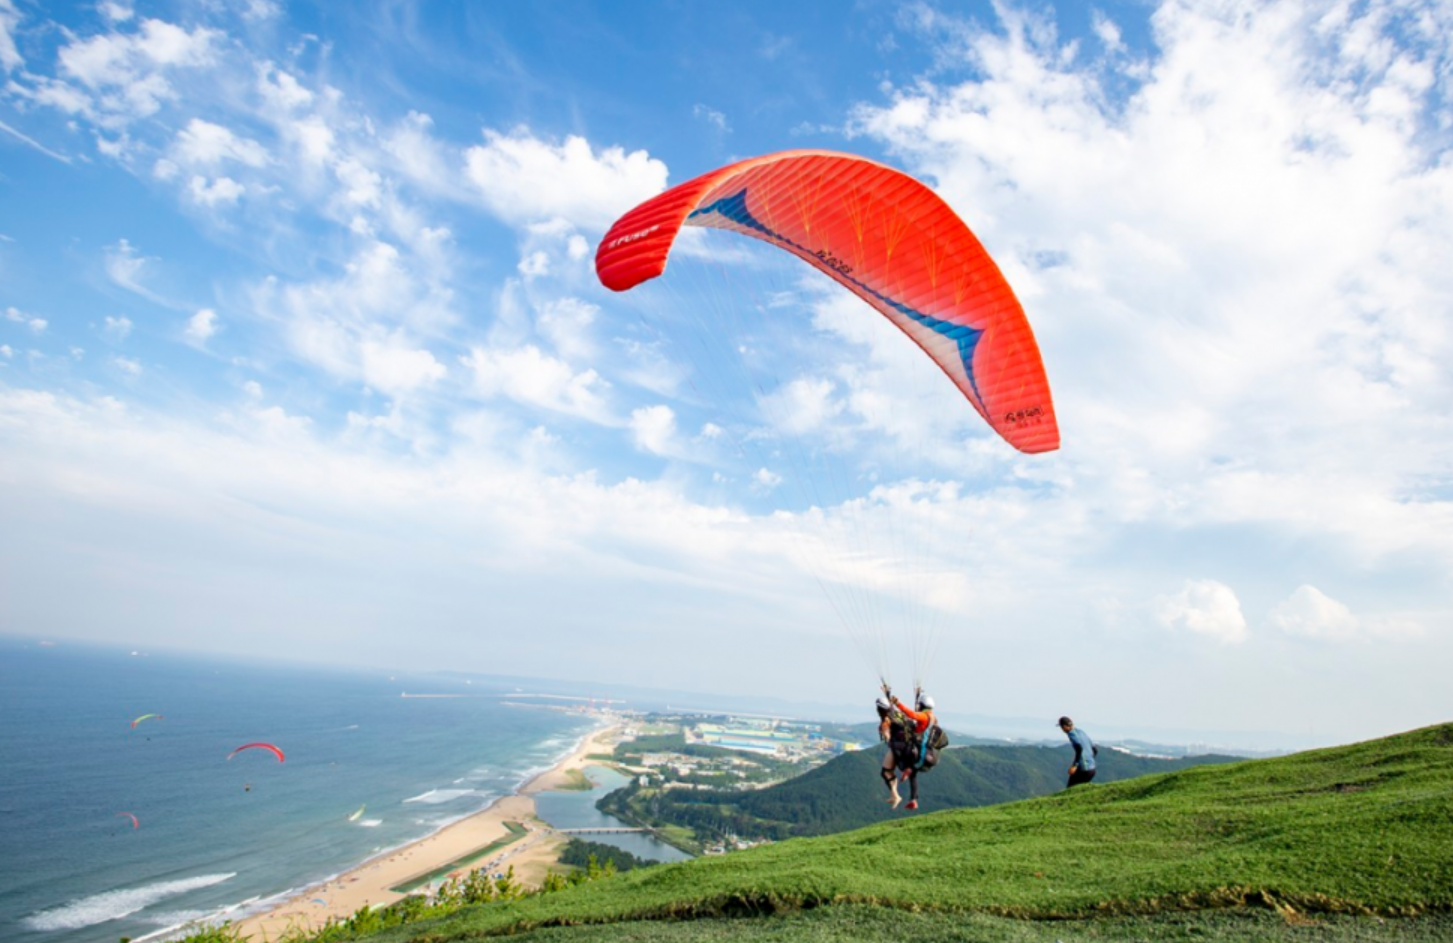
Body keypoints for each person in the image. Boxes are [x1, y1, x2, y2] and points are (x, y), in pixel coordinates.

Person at [1057, 716, 1097, 788]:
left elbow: (1079, 749)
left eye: (1061, 727)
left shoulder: (1071, 734)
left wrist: (1074, 766)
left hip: (1084, 769)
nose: (1062, 730)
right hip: (1092, 769)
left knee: (1070, 789)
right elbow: (1094, 750)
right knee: (1080, 789)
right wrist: (1090, 761)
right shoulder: (1081, 732)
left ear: (1065, 726)